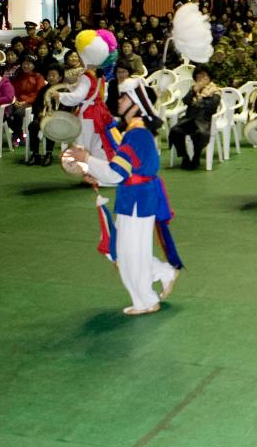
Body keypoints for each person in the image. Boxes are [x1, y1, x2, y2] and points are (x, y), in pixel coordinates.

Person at [72, 78, 181, 315]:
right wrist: (95, 174)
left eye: (123, 97)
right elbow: (120, 172)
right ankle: (162, 275)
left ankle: (147, 300)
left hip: (136, 200)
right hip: (135, 197)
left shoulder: (137, 135)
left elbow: (118, 172)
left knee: (129, 252)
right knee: (128, 250)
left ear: (135, 104)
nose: (119, 101)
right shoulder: (135, 132)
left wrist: (87, 160)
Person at [59, 30, 117, 160]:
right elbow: (101, 94)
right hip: (100, 112)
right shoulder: (99, 74)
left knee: (84, 145)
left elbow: (77, 97)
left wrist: (60, 96)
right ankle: (101, 171)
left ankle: (90, 173)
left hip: (88, 114)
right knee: (96, 144)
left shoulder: (86, 76)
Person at [167, 67, 221, 171]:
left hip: (204, 121)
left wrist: (201, 99)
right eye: (199, 76)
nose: (201, 78)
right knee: (175, 130)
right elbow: (186, 101)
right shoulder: (193, 88)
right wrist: (193, 91)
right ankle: (184, 156)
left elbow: (212, 107)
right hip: (189, 119)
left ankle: (196, 157)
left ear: (210, 78)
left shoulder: (215, 91)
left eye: (204, 76)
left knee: (199, 133)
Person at [25, 65, 65, 167]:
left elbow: (67, 107)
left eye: (53, 75)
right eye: (49, 75)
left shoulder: (64, 91)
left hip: (58, 119)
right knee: (33, 126)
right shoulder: (43, 89)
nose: (50, 77)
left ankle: (48, 154)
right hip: (42, 117)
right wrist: (39, 113)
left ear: (60, 78)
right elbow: (36, 104)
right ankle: (35, 154)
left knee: (50, 125)